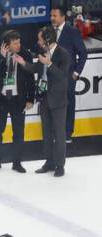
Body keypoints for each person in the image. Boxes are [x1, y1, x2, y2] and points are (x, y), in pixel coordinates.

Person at [0, 30, 35, 172]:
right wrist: (0, 57)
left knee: (18, 133)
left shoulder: (25, 54)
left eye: (19, 42)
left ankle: (17, 163)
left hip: (18, 99)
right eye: (15, 43)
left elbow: (30, 78)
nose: (19, 45)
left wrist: (30, 99)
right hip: (1, 99)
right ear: (6, 45)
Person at [35, 24, 71, 177]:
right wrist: (22, 63)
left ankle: (60, 165)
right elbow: (36, 68)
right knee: (47, 133)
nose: (38, 42)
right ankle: (49, 162)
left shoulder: (63, 54)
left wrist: (49, 64)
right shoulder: (43, 52)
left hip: (58, 101)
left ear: (47, 40)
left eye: (40, 39)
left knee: (59, 134)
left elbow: (62, 76)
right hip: (44, 99)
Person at [50, 4, 87, 141]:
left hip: (67, 75)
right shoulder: (49, 31)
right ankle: (55, 133)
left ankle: (67, 134)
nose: (52, 18)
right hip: (52, 75)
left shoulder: (72, 31)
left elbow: (83, 53)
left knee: (68, 103)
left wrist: (76, 73)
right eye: (51, 16)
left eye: (55, 16)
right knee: (53, 104)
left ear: (63, 17)